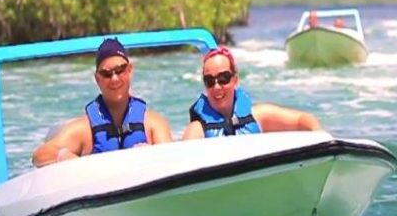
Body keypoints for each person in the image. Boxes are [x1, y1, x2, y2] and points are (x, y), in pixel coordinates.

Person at [33, 38, 173, 167]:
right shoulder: (84, 129)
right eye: (106, 74)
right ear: (97, 79)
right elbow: (39, 155)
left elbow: (172, 161)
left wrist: (154, 156)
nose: (114, 79)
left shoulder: (154, 124)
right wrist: (63, 156)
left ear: (130, 70)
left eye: (120, 70)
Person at [183, 46, 322, 139]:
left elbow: (301, 120)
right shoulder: (197, 131)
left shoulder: (259, 116)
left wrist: (317, 132)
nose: (217, 87)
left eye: (223, 78)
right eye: (209, 81)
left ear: (235, 80)